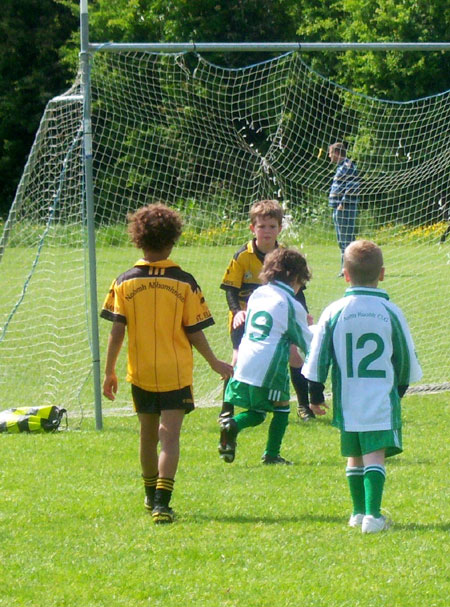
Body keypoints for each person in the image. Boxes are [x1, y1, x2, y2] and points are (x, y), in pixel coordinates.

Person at [100, 203, 233, 524]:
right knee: (169, 436)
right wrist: (215, 362)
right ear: (173, 239)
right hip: (175, 372)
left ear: (137, 239)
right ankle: (162, 502)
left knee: (148, 435)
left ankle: (149, 493)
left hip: (140, 372)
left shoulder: (124, 282)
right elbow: (194, 331)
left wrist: (109, 371)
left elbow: (117, 329)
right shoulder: (185, 282)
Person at [302, 240, 422, 533]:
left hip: (347, 398)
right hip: (379, 396)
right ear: (382, 273)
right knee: (375, 455)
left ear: (345, 274)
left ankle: (356, 513)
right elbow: (404, 358)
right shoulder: (390, 311)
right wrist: (400, 389)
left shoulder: (335, 311)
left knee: (354, 455)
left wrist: (314, 395)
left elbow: (318, 358)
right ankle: (372, 516)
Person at [219, 199, 316, 435]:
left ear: (280, 228)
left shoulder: (284, 257)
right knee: (237, 360)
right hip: (247, 318)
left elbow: (297, 290)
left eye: (272, 226)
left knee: (294, 356)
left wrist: (304, 313)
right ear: (253, 228)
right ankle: (226, 410)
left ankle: (304, 406)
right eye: (262, 226)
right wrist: (237, 311)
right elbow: (230, 288)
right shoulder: (242, 256)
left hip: (279, 319)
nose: (267, 231)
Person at [219, 248, 314, 465]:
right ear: (294, 277)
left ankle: (231, 425)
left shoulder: (257, 295)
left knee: (258, 411)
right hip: (269, 366)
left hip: (244, 360)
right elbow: (305, 341)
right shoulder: (291, 303)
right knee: (281, 408)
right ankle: (271, 454)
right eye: (301, 281)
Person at [328, 142, 360, 276]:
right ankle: (349, 267)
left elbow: (353, 185)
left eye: (330, 153)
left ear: (336, 153)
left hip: (344, 209)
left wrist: (343, 203)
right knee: (343, 240)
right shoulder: (341, 167)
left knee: (346, 240)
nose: (329, 157)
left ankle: (347, 269)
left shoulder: (348, 166)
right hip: (338, 207)